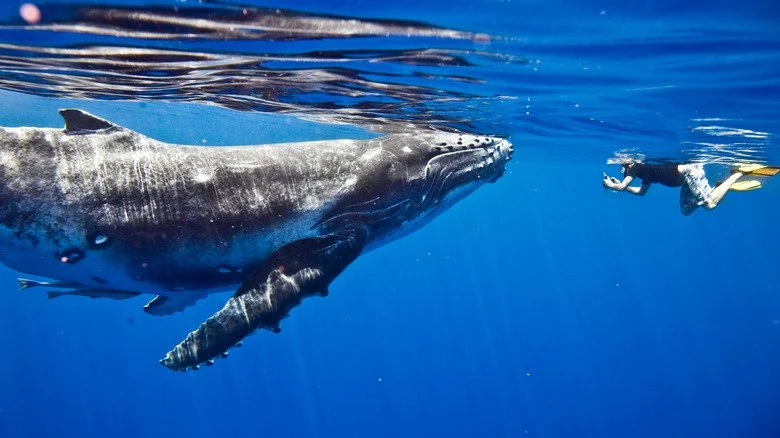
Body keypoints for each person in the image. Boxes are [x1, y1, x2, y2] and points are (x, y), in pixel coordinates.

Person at [602, 161, 744, 215]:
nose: (623, 171)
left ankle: (738, 173)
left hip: (690, 173)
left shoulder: (634, 167)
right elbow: (640, 192)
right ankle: (717, 189)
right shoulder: (645, 173)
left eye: (623, 168)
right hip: (687, 179)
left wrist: (610, 184)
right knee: (686, 209)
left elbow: (621, 186)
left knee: (709, 205)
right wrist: (621, 186)